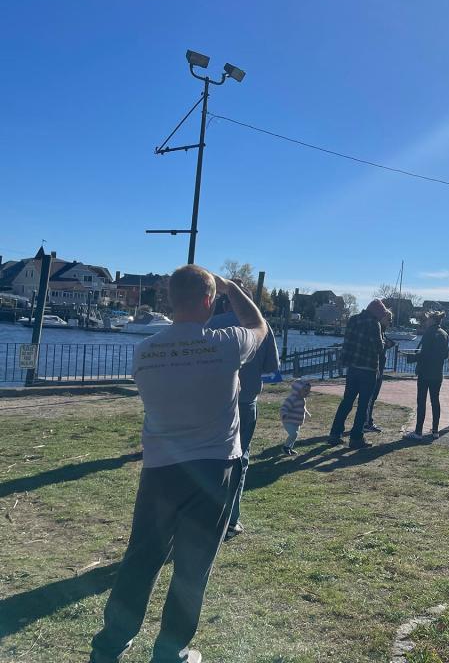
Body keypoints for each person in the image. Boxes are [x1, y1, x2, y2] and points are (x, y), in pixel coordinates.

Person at [89, 266, 267, 663]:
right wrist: (234, 288)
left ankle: (111, 644)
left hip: (160, 469)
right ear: (210, 300)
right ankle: (171, 652)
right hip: (213, 470)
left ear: (170, 300)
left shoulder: (144, 350)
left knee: (141, 560)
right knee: (192, 568)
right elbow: (258, 326)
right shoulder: (226, 344)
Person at [207, 284, 280, 540]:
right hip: (246, 401)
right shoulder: (262, 328)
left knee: (207, 457)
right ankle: (230, 519)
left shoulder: (211, 324)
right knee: (240, 459)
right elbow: (271, 367)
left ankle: (202, 516)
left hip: (212, 402)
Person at [328, 299, 391, 449]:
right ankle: (356, 437)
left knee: (347, 401)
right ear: (376, 312)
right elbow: (378, 347)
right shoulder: (373, 323)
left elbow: (348, 341)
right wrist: (384, 342)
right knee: (363, 405)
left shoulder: (353, 319)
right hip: (368, 369)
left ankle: (334, 434)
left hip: (352, 367)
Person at [404, 311, 449, 441]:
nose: (426, 322)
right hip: (437, 373)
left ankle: (418, 431)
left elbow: (425, 354)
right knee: (435, 401)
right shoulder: (444, 334)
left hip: (425, 372)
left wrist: (411, 358)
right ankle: (435, 430)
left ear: (432, 320)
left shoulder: (429, 333)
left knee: (421, 401)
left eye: (428, 320)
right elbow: (445, 355)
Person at [364, 311, 396, 434]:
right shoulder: (377, 329)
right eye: (388, 319)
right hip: (375, 368)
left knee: (373, 397)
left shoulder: (382, 331)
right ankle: (365, 422)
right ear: (382, 318)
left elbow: (387, 343)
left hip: (379, 368)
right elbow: (379, 346)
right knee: (370, 397)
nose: (390, 322)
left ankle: (368, 420)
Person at [280, 379, 312, 454]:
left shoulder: (302, 399)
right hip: (288, 420)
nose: (307, 393)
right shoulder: (292, 399)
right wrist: (284, 414)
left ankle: (289, 448)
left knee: (295, 435)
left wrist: (307, 412)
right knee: (294, 434)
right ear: (298, 390)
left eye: (308, 391)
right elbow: (284, 407)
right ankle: (285, 447)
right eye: (305, 391)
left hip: (297, 422)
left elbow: (303, 407)